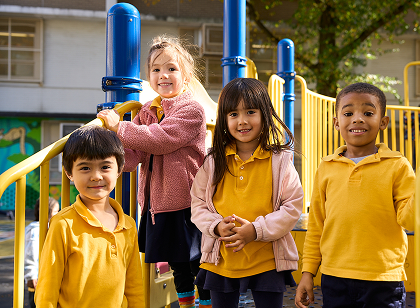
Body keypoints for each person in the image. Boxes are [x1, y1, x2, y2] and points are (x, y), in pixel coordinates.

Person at [294, 82, 420, 308]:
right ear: (337, 123)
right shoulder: (326, 166)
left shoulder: (397, 165)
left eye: (368, 112)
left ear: (383, 122)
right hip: (335, 275)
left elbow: (409, 219)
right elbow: (317, 224)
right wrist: (308, 272)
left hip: (382, 278)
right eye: (348, 113)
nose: (357, 118)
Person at [97, 35, 211, 308]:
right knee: (177, 263)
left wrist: (120, 127)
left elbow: (160, 138)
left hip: (187, 201)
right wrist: (105, 161)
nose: (164, 75)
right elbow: (134, 155)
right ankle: (186, 304)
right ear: (149, 76)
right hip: (157, 204)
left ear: (186, 75)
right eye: (156, 70)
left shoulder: (191, 109)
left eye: (172, 68)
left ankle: (207, 303)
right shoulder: (147, 111)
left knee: (198, 261)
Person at [190, 78, 304, 308]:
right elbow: (198, 203)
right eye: (233, 114)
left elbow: (292, 206)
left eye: (250, 111)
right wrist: (215, 226)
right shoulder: (214, 160)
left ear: (265, 114)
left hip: (267, 258)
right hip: (222, 257)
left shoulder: (280, 161)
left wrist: (256, 230)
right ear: (224, 119)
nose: (242, 121)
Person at [35, 125, 144, 308]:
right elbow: (48, 285)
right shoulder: (63, 224)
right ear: (69, 173)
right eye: (85, 168)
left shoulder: (128, 225)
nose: (95, 176)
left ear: (119, 170)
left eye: (105, 167)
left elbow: (134, 286)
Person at [24, 197, 59, 308]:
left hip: (48, 277)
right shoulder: (36, 230)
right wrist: (31, 275)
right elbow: (30, 253)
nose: (57, 214)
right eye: (55, 212)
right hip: (38, 279)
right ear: (46, 212)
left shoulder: (49, 227)